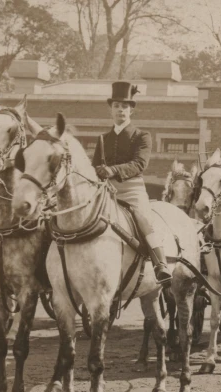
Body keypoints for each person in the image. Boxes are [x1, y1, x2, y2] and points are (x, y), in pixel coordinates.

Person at [92, 81, 172, 286]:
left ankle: (160, 263)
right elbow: (95, 166)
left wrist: (114, 170)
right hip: (105, 190)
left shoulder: (142, 136)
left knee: (143, 219)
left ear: (131, 110)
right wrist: (98, 173)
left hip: (132, 189)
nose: (120, 110)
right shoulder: (102, 138)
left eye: (125, 106)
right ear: (111, 109)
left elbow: (140, 164)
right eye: (117, 106)